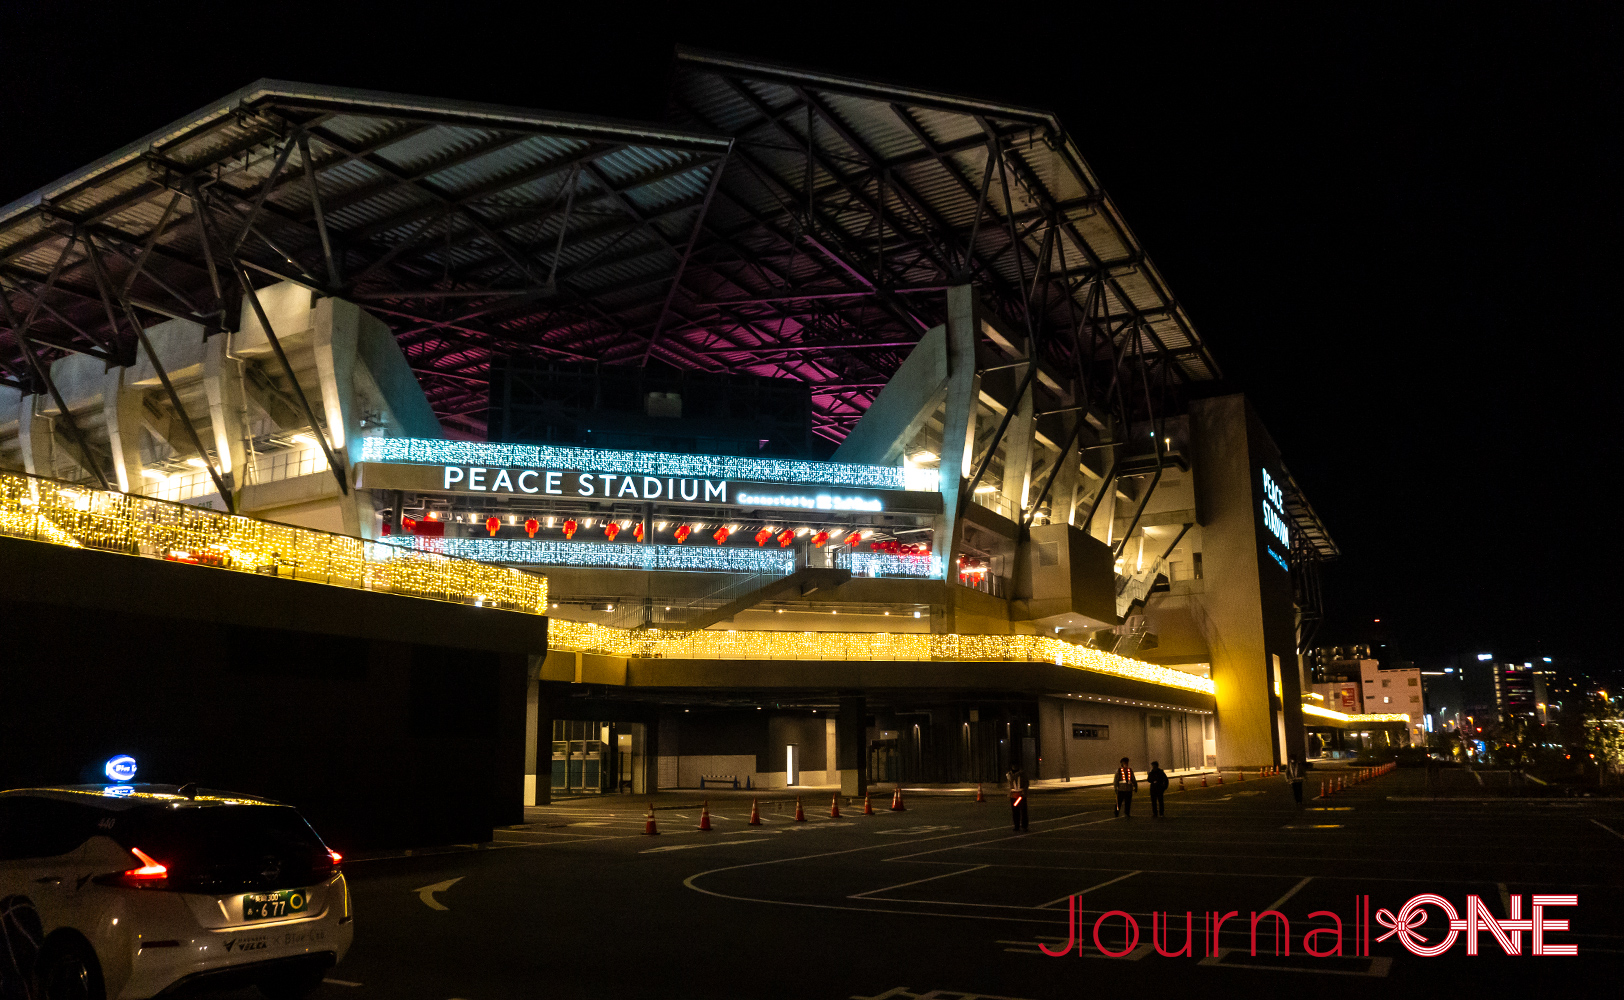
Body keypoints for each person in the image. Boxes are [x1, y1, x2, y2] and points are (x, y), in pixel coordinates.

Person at [1008, 765, 1030, 833]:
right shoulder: (1009, 774)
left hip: (1021, 795)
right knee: (1015, 812)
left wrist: (1024, 791)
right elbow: (1009, 784)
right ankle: (1017, 825)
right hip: (1013, 795)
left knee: (1023, 811)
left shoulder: (1022, 774)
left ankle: (1024, 826)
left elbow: (1026, 783)